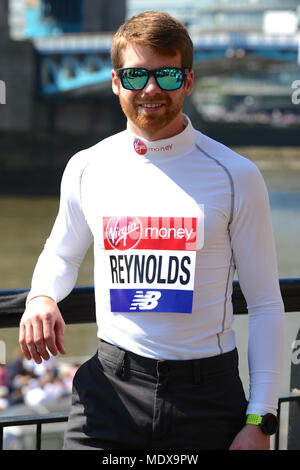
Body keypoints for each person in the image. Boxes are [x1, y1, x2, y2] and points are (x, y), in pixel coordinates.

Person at [19, 11, 285, 450]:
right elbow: (62, 254)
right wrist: (42, 297)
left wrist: (261, 419)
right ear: (114, 81)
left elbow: (265, 305)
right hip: (109, 391)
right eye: (136, 74)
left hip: (206, 395)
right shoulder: (87, 167)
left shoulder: (238, 175)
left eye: (166, 73)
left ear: (189, 80)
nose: (150, 89)